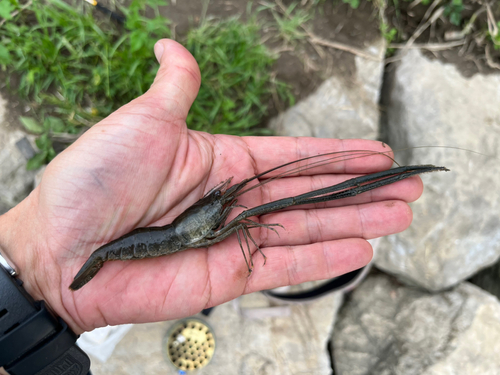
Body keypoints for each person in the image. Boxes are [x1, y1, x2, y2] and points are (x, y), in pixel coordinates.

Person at [0, 39, 423, 335]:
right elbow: (210, 229)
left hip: (174, 234)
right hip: (154, 242)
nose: (227, 198)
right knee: (256, 213)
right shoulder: (198, 230)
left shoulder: (212, 215)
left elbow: (209, 218)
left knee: (243, 206)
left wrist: (219, 197)